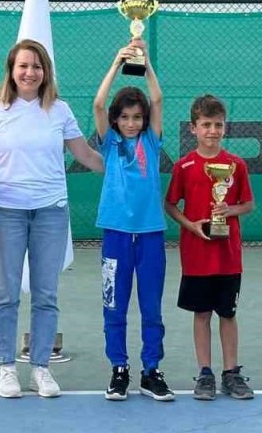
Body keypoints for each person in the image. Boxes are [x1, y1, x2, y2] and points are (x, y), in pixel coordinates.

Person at [0, 38, 105, 399]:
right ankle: (7, 368)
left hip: (51, 213)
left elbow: (85, 154)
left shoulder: (60, 110)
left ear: (45, 72)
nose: (30, 72)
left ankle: (40, 368)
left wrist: (124, 170)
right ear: (12, 70)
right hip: (5, 211)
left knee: (45, 294)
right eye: (23, 65)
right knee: (5, 293)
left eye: (36, 66)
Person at [92, 41, 173, 402]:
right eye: (124, 117)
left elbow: (157, 100)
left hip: (151, 236)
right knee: (115, 305)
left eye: (136, 117)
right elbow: (97, 103)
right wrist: (116, 60)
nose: (130, 123)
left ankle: (151, 370)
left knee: (152, 306)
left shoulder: (152, 142)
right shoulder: (109, 143)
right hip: (116, 236)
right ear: (115, 119)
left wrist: (147, 64)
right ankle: (119, 369)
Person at [163, 94, 255, 402]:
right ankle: (205, 373)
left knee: (227, 314)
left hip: (228, 258)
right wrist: (190, 225)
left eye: (218, 125)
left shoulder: (236, 165)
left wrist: (230, 210)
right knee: (201, 314)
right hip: (197, 256)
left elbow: (248, 204)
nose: (212, 131)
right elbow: (170, 204)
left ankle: (231, 372)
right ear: (193, 128)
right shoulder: (184, 166)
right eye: (206, 125)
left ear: (225, 128)